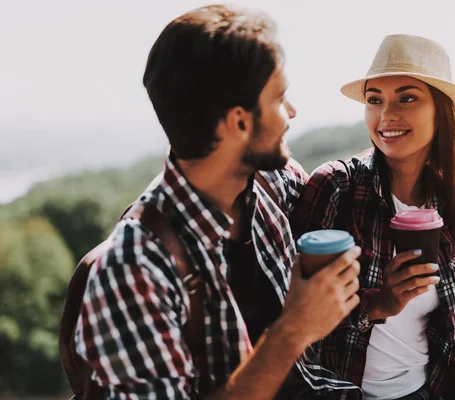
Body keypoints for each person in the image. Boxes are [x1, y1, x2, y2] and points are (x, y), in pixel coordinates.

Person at [74, 5, 363, 399]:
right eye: (280, 98)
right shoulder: (132, 269)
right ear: (239, 122)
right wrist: (293, 330)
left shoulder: (273, 180)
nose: (292, 112)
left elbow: (348, 195)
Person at [291, 34, 455, 400]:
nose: (387, 115)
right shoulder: (337, 188)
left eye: (407, 97)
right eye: (374, 100)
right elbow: (292, 320)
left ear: (440, 110)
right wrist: (377, 304)